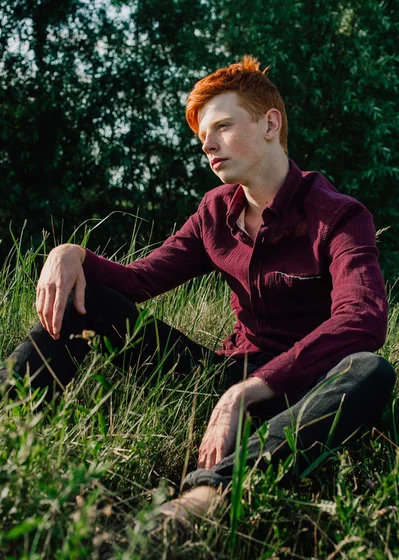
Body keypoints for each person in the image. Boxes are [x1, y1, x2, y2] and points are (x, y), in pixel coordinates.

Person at [2, 56, 396, 530]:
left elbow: (363, 320)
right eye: (202, 136)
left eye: (222, 126)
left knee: (370, 370)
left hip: (300, 394)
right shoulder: (215, 212)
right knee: (92, 302)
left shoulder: (339, 216)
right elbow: (139, 280)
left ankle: (210, 494)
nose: (206, 144)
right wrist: (71, 254)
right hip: (219, 377)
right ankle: (10, 428)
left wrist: (247, 393)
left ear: (270, 124)